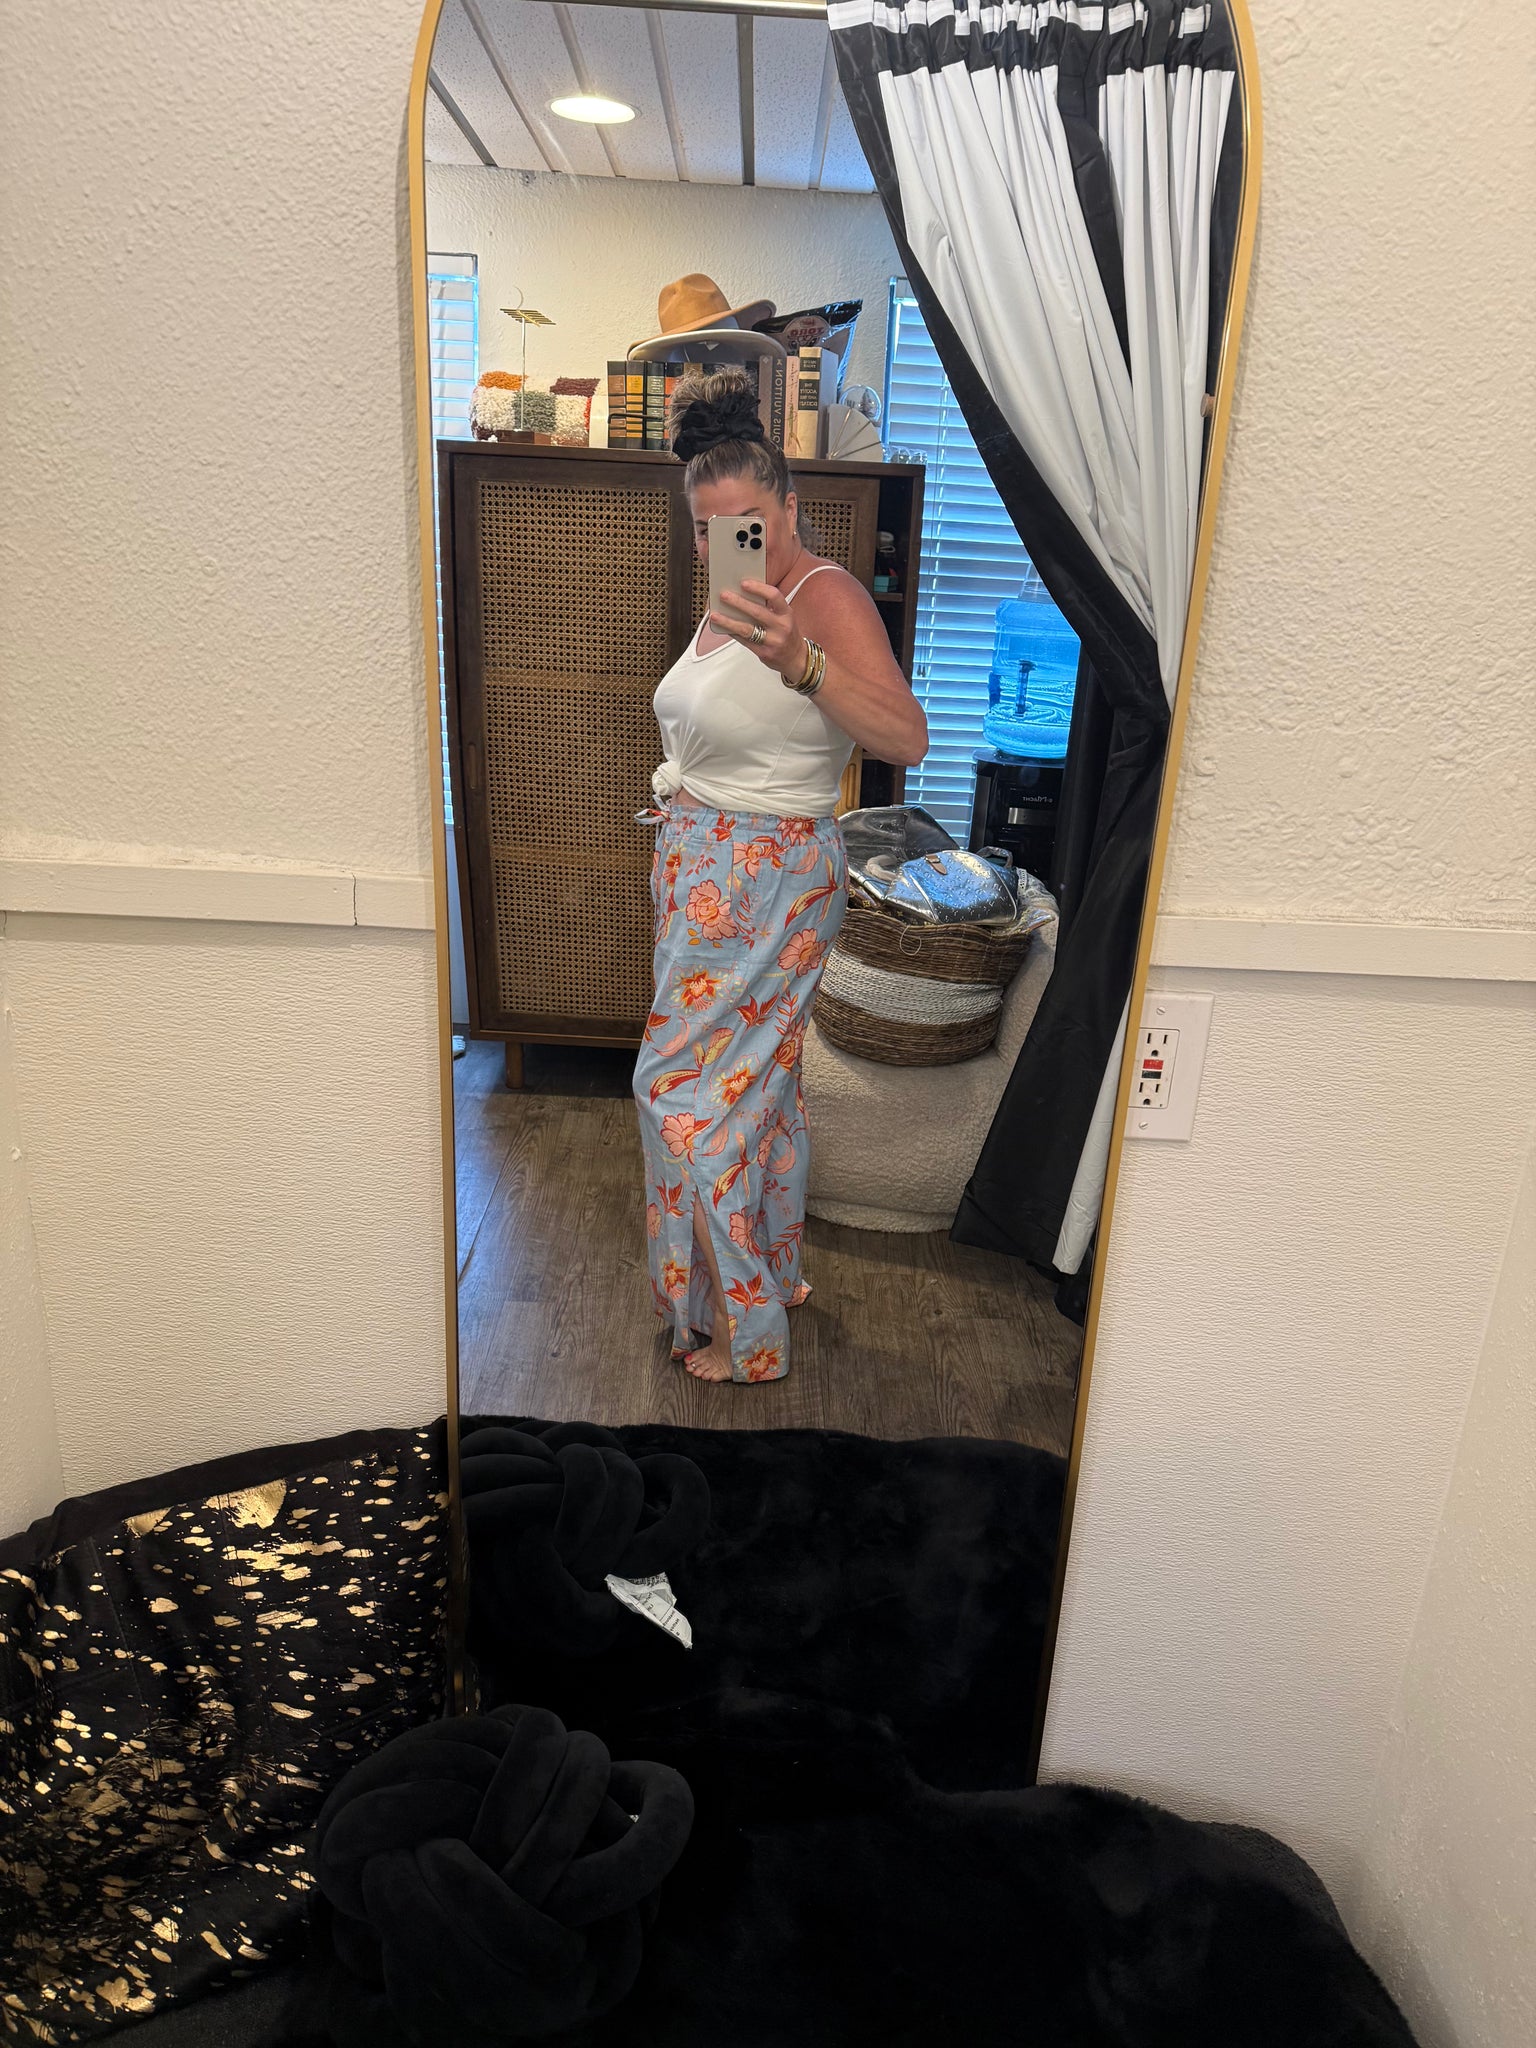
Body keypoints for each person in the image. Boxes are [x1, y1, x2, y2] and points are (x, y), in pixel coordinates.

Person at [634, 367, 928, 1384]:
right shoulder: (730, 606)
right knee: (757, 1094)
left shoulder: (823, 596)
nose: (729, 544)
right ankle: (773, 1275)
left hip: (765, 881)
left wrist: (806, 664)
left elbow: (906, 736)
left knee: (680, 1094)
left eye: (748, 524)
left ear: (792, 509)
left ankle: (744, 1332)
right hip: (708, 876)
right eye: (708, 529)